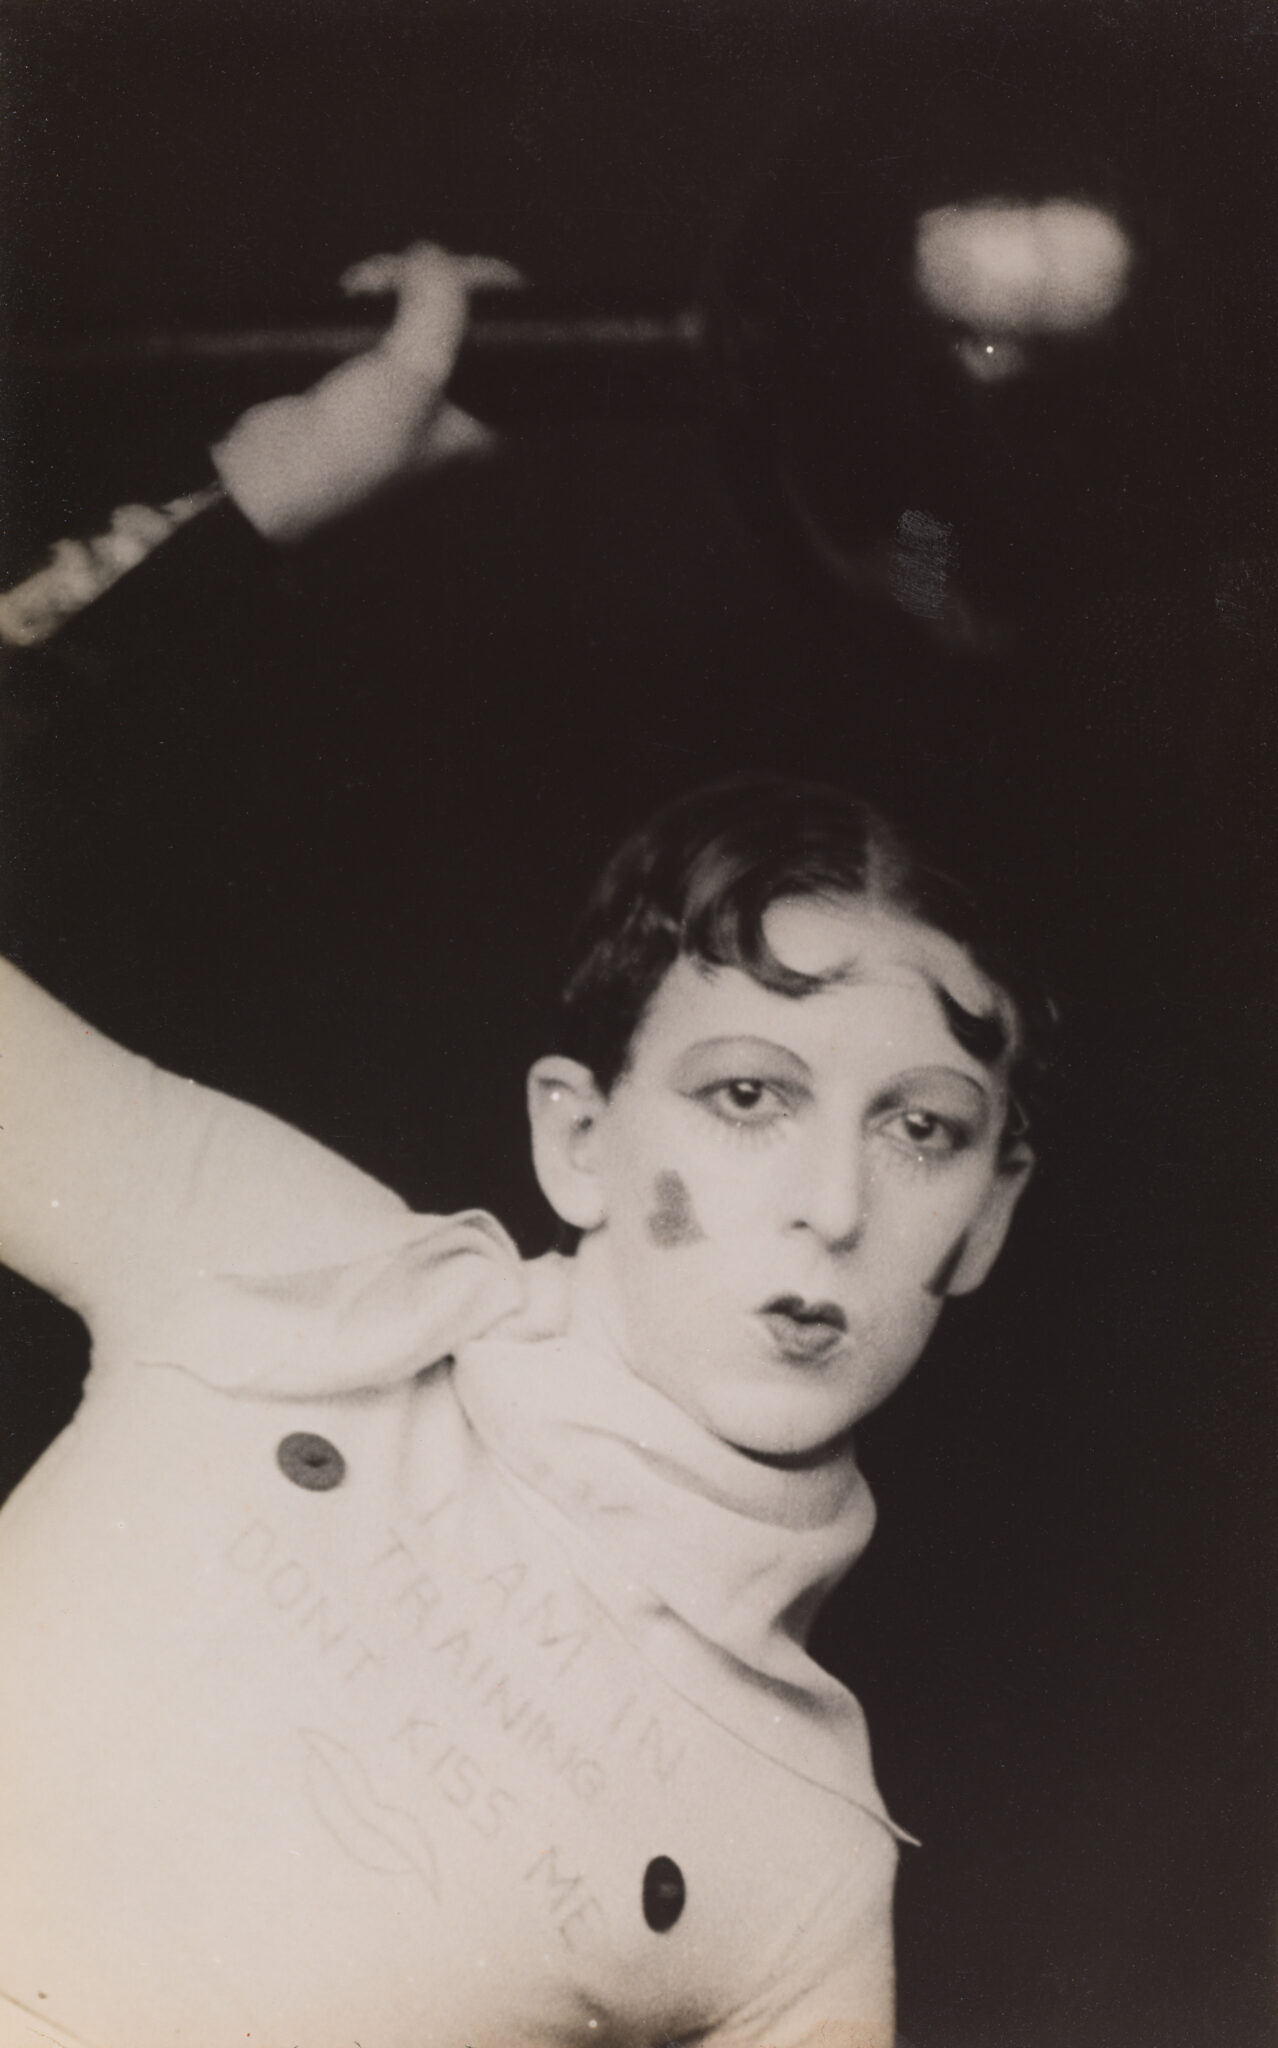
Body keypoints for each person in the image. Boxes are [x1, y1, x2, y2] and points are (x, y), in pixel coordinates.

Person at [0, 251, 1042, 2048]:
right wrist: (248, 510)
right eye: (745, 1096)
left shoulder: (798, 1861)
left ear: (986, 1215)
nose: (829, 1203)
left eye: (923, 1128)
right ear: (574, 1136)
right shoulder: (284, 1262)